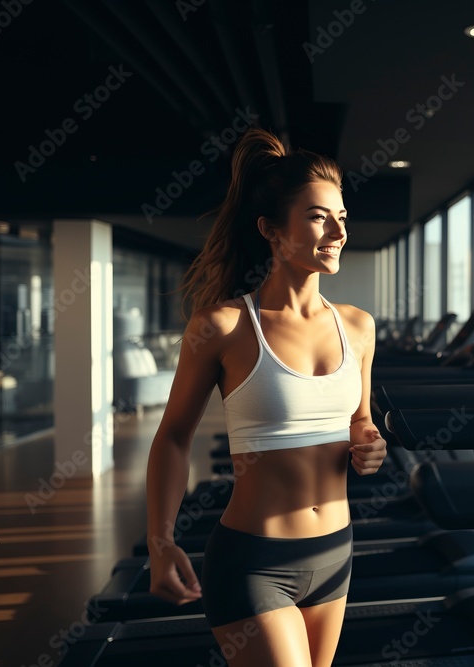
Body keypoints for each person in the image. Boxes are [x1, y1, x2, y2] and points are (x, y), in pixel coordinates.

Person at [145, 126, 386, 666]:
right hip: (255, 561)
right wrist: (161, 543)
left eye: (341, 217)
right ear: (272, 232)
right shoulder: (225, 326)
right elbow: (173, 438)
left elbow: (361, 422)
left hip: (336, 554)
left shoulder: (359, 327)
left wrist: (370, 444)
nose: (338, 230)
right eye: (319, 217)